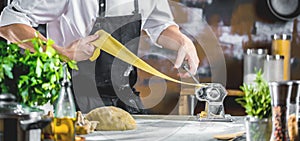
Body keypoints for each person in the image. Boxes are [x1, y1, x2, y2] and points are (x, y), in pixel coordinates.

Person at [0, 0, 199, 113]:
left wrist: (182, 41)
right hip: (72, 101)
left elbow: (159, 25)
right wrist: (64, 53)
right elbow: (9, 22)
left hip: (125, 99)